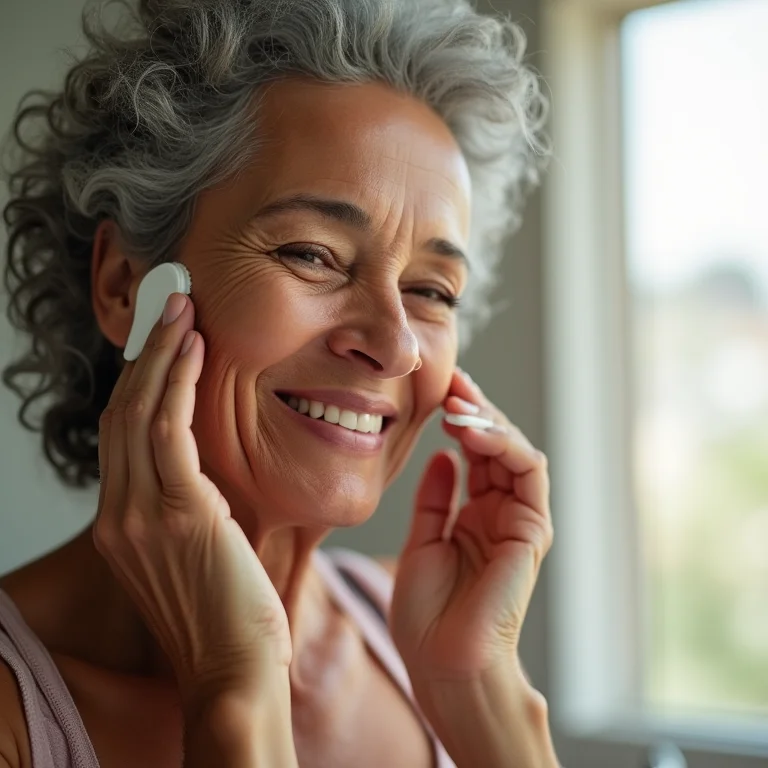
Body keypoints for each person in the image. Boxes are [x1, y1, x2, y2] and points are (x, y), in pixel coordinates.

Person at [0, 0, 559, 766]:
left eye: (433, 291)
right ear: (126, 285)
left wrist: (481, 698)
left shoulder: (429, 641)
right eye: (313, 254)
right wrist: (232, 687)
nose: (395, 346)